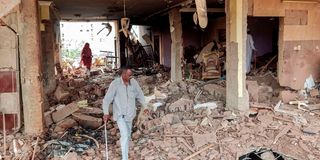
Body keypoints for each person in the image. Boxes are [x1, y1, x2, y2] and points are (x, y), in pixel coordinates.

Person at [102, 66, 149, 160]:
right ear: (123, 74)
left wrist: (145, 107)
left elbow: (140, 95)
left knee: (128, 135)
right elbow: (107, 99)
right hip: (120, 115)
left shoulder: (134, 83)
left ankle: (125, 153)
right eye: (128, 75)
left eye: (131, 75)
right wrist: (106, 112)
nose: (131, 77)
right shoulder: (115, 84)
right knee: (124, 135)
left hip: (130, 115)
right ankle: (125, 158)